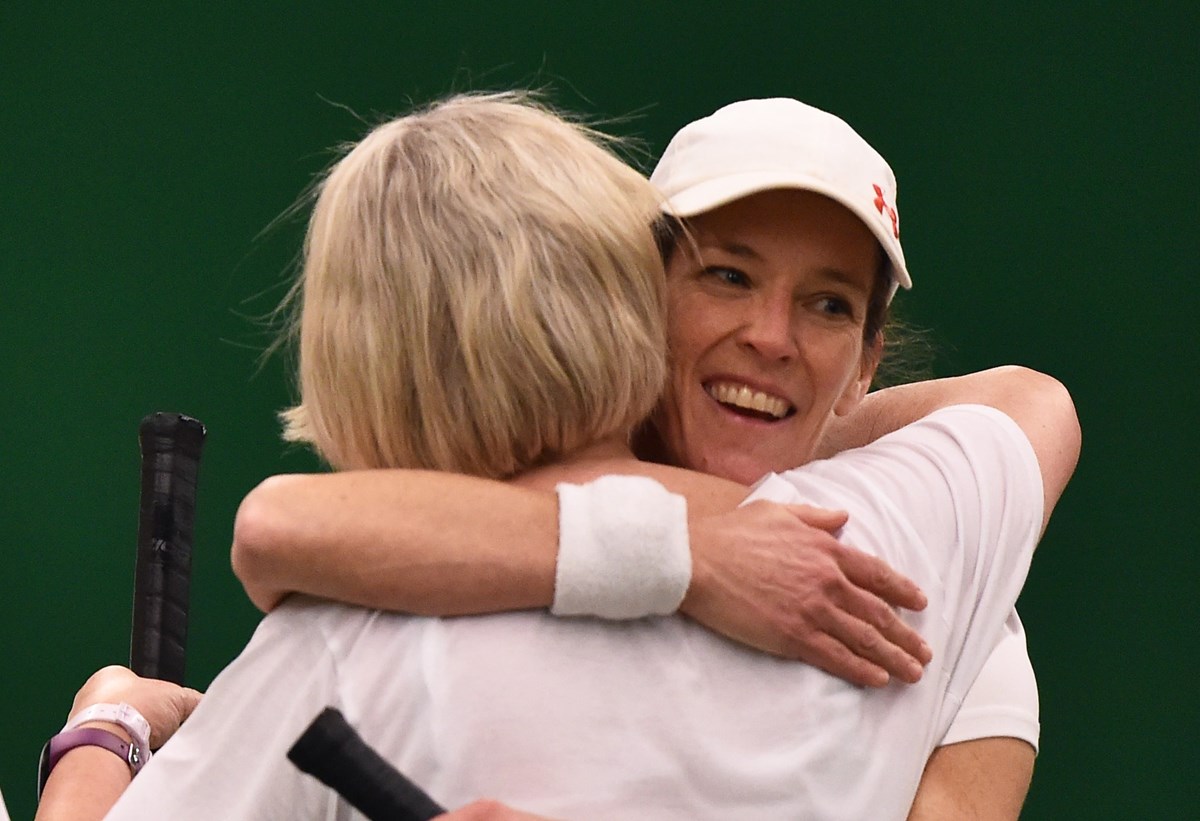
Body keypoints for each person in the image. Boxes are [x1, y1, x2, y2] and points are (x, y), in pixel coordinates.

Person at [94, 92, 1076, 819]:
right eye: (728, 275)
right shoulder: (922, 545)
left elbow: (276, 522)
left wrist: (105, 728)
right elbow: (1034, 410)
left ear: (867, 361)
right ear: (632, 292)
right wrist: (691, 549)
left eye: (829, 306)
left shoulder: (354, 628)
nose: (773, 339)